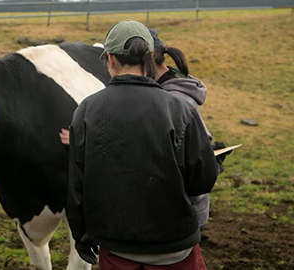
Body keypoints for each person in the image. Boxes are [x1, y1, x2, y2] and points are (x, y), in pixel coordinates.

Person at [66, 20, 220, 269]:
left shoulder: (86, 110)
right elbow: (203, 180)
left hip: (115, 246)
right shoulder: (179, 108)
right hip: (175, 248)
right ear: (150, 58)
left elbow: (76, 186)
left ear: (110, 59)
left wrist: (80, 236)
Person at [149, 28, 219, 231]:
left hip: (182, 214)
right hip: (187, 210)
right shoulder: (174, 91)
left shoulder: (175, 100)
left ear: (150, 58)